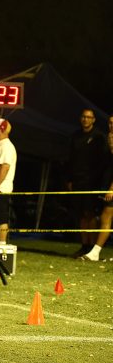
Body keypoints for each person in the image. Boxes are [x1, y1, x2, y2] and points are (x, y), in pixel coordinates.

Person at [66, 109, 108, 258]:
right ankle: (84, 246)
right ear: (80, 118)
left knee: (91, 214)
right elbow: (70, 159)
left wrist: (98, 181)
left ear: (93, 120)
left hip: (92, 182)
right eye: (83, 116)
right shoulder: (75, 136)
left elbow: (103, 161)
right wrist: (69, 179)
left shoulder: (99, 137)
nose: (86, 119)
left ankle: (92, 247)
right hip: (77, 181)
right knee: (81, 215)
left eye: (89, 117)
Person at [80, 114, 113, 261]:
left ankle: (95, 252)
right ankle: (94, 251)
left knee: (106, 217)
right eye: (110, 123)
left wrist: (112, 188)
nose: (111, 125)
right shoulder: (108, 137)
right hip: (105, 184)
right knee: (105, 217)